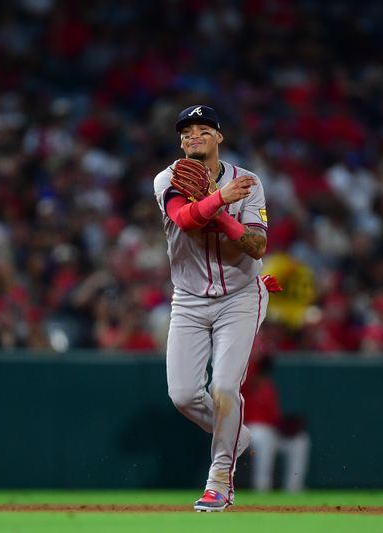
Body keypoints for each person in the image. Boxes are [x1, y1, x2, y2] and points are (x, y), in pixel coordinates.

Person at [153, 104, 273, 512]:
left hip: (240, 295)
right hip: (188, 299)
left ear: (220, 137)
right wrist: (220, 201)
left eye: (204, 129)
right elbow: (184, 219)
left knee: (223, 388)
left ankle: (219, 481)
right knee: (184, 395)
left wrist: (219, 209)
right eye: (187, 131)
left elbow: (257, 246)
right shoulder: (167, 178)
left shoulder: (249, 182)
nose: (194, 135)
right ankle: (235, 435)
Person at [242, 352, 311, 492]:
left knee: (300, 440)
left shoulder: (269, 386)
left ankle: (294, 486)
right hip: (249, 430)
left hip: (270, 430)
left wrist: (285, 427)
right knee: (263, 438)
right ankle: (262, 486)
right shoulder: (245, 382)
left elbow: (274, 416)